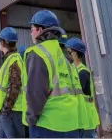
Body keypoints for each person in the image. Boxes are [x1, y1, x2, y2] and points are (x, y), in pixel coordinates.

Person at [22, 10, 81, 138]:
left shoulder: (38, 53)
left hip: (48, 125)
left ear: (40, 29)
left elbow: (36, 93)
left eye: (32, 29)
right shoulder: (64, 55)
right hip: (71, 123)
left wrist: (30, 120)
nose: (31, 33)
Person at [0, 27, 25, 138]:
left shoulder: (13, 61)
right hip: (9, 112)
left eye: (0, 40)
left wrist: (5, 110)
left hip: (12, 112)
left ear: (3, 42)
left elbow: (15, 86)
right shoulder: (11, 59)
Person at [65, 38, 100, 138]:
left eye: (68, 52)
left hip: (86, 120)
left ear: (74, 54)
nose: (66, 55)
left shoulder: (82, 72)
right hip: (80, 120)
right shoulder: (73, 71)